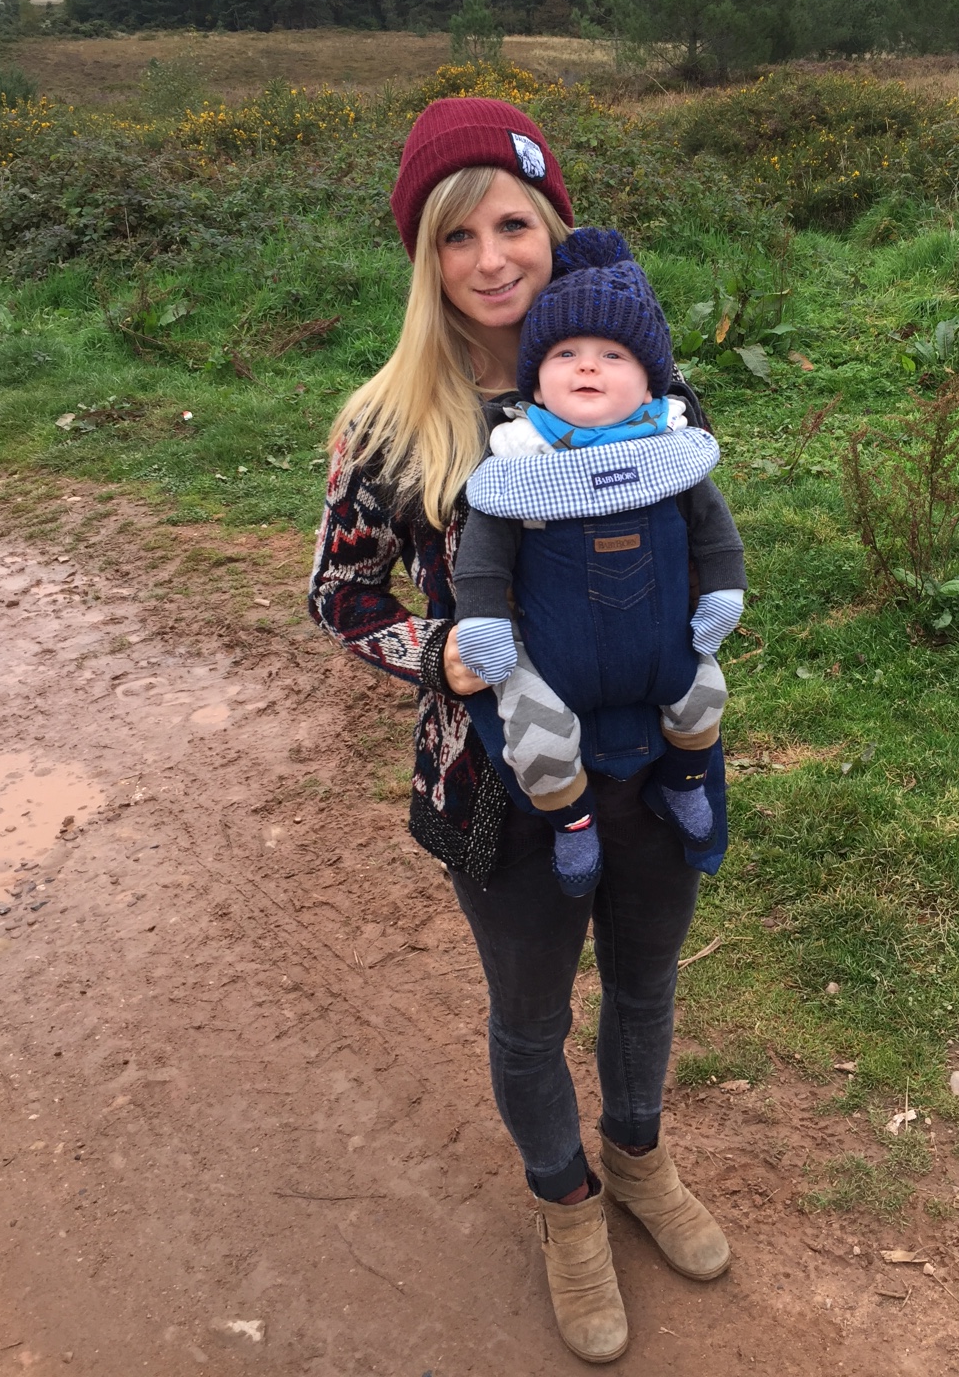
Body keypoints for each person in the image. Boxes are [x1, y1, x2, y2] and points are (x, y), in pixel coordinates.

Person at [309, 96, 733, 1365]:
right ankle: (566, 1205)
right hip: (494, 783)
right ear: (423, 256)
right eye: (455, 235)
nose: (490, 259)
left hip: (654, 758)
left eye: (513, 224)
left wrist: (697, 626)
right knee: (531, 1014)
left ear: (554, 226)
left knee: (648, 981)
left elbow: (692, 532)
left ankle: (638, 1158)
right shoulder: (387, 422)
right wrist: (437, 655)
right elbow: (340, 595)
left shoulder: (638, 377)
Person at [452, 257, 746, 897]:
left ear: (651, 388)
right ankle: (573, 822)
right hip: (553, 664)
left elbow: (715, 533)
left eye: (613, 355)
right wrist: (479, 621)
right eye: (565, 354)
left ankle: (684, 783)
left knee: (703, 698)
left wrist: (725, 591)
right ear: (535, 386)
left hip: (666, 652)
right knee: (538, 742)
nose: (587, 367)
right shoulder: (518, 465)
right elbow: (483, 559)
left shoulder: (670, 453)